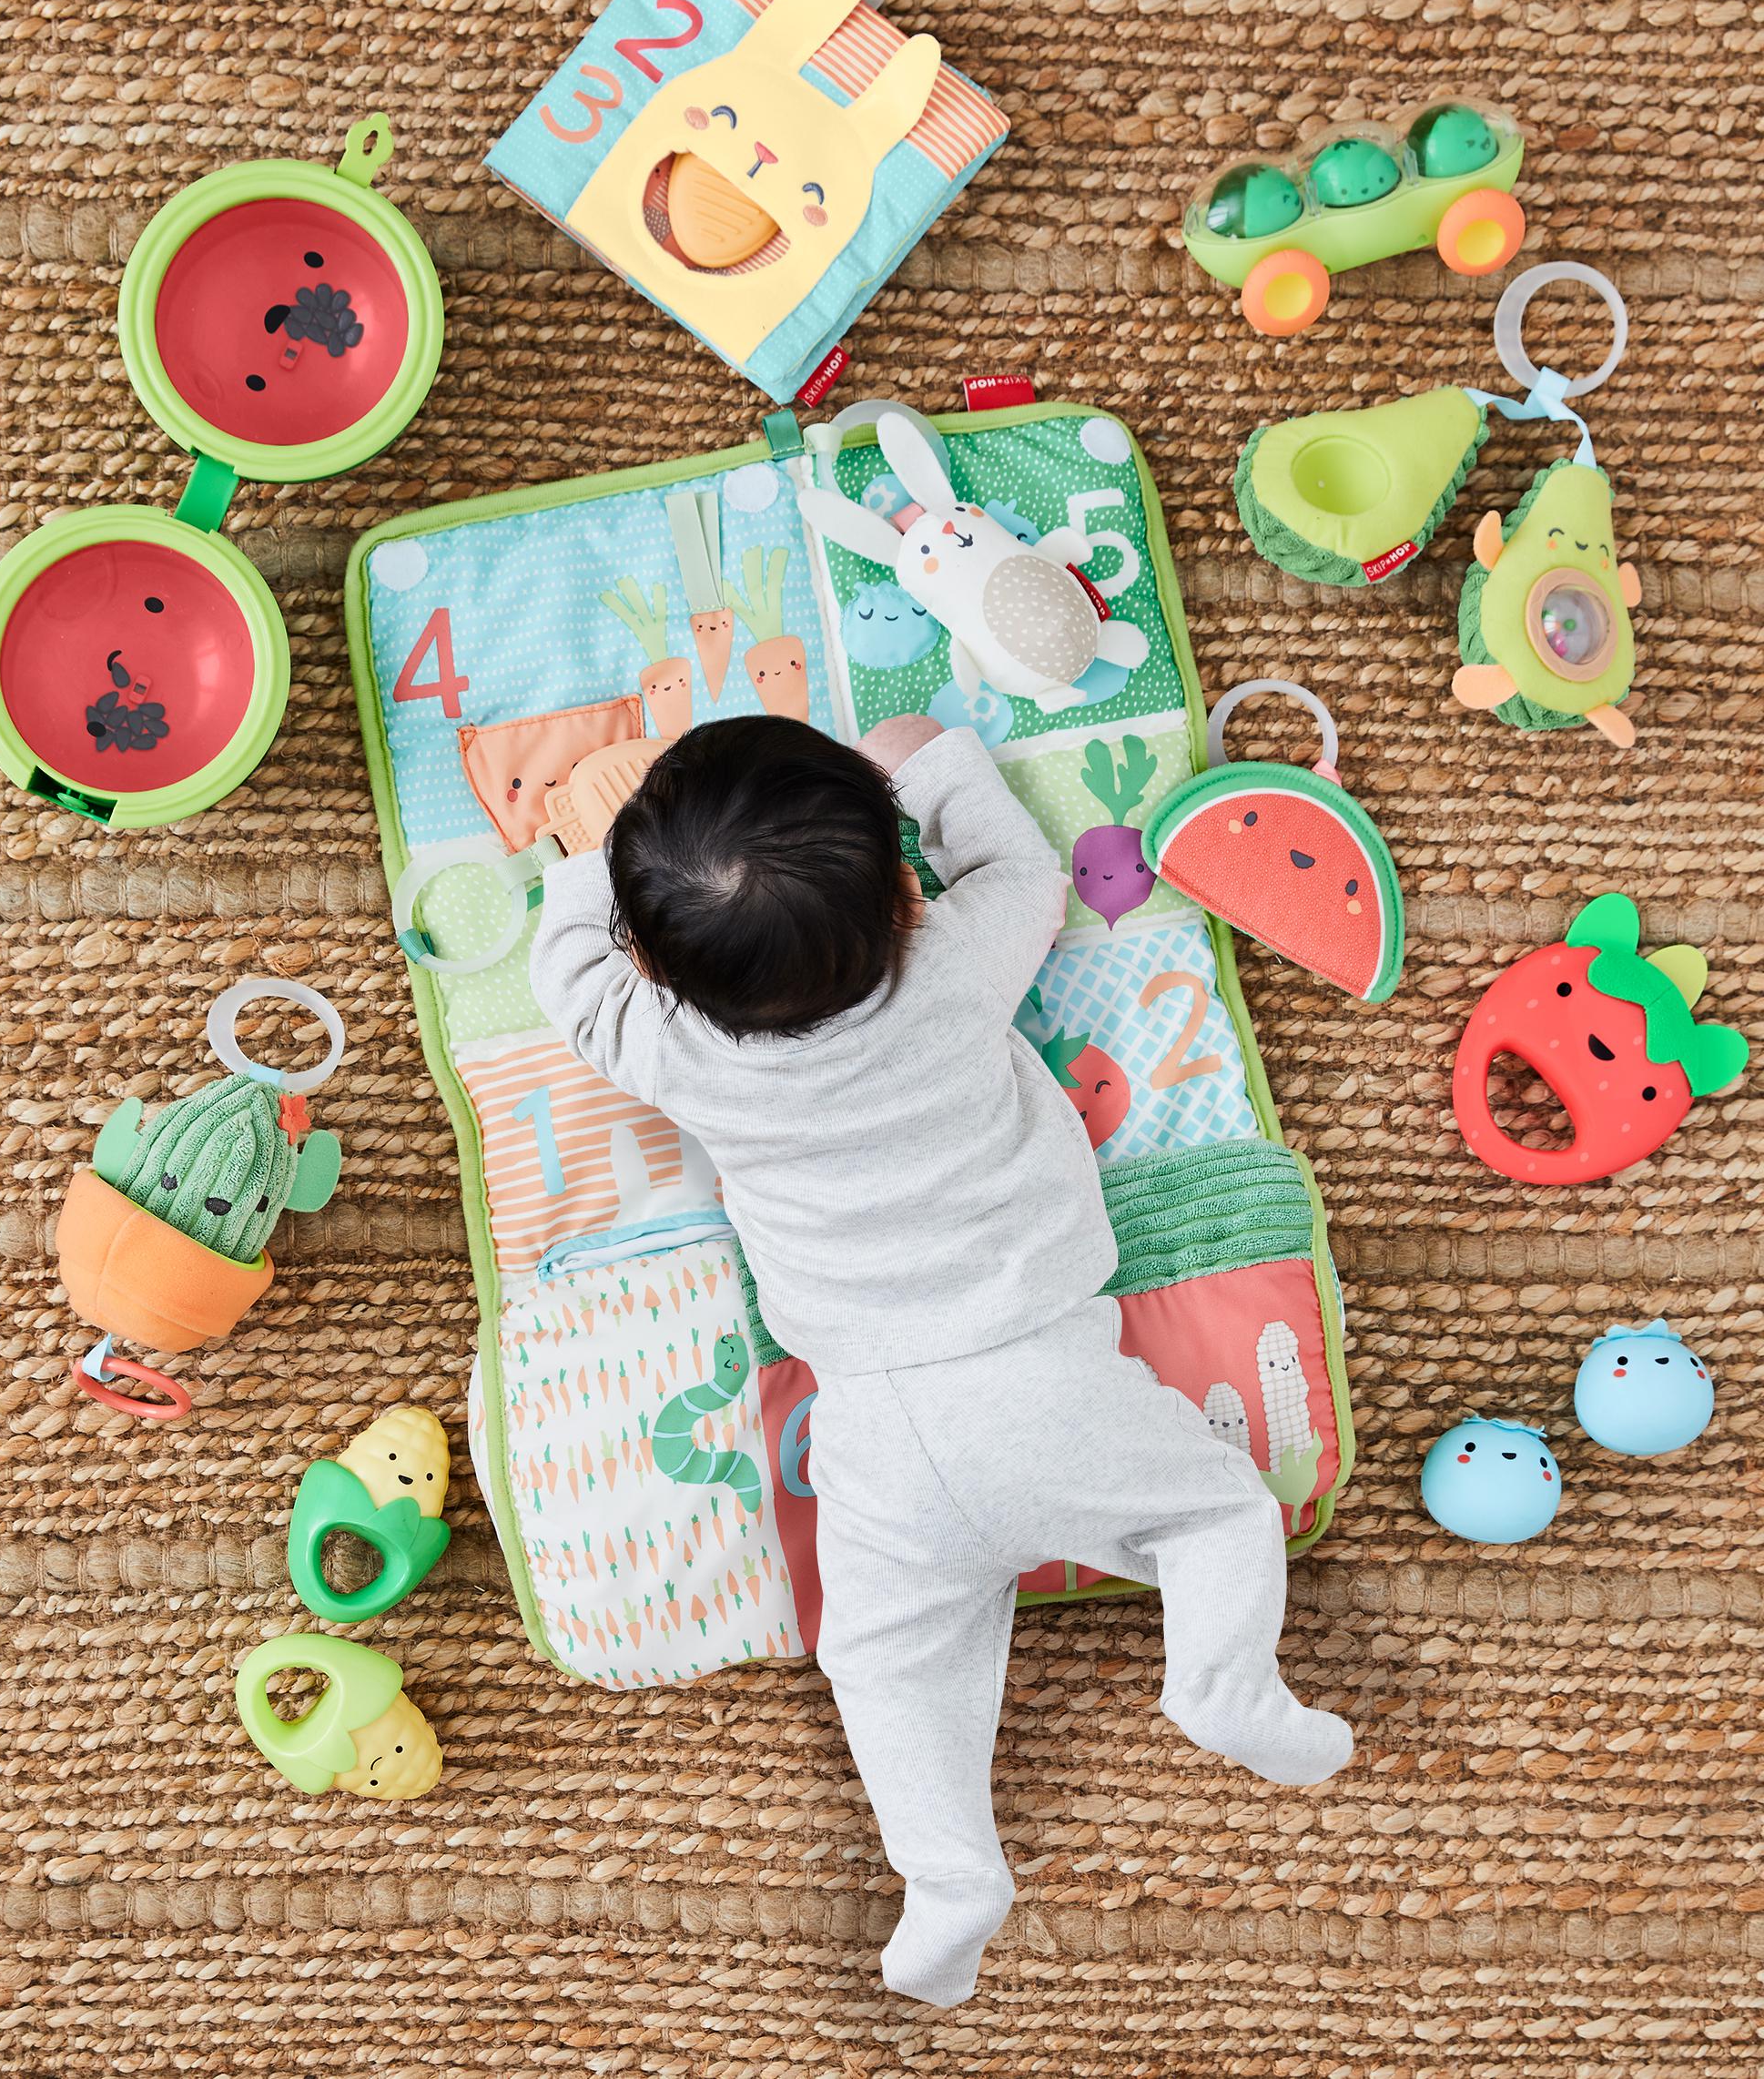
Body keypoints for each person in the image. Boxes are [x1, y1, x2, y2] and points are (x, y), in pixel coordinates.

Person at [531, 713, 1353, 2007]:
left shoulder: (671, 1049)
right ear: (906, 898)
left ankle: (948, 1873)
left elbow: (569, 982)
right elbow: (1022, 872)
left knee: (887, 1664)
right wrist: (933, 762)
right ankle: (1221, 1680)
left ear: (662, 972)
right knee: (1215, 1516)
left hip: (871, 1432)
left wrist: (582, 865)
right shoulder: (954, 966)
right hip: (1046, 1383)